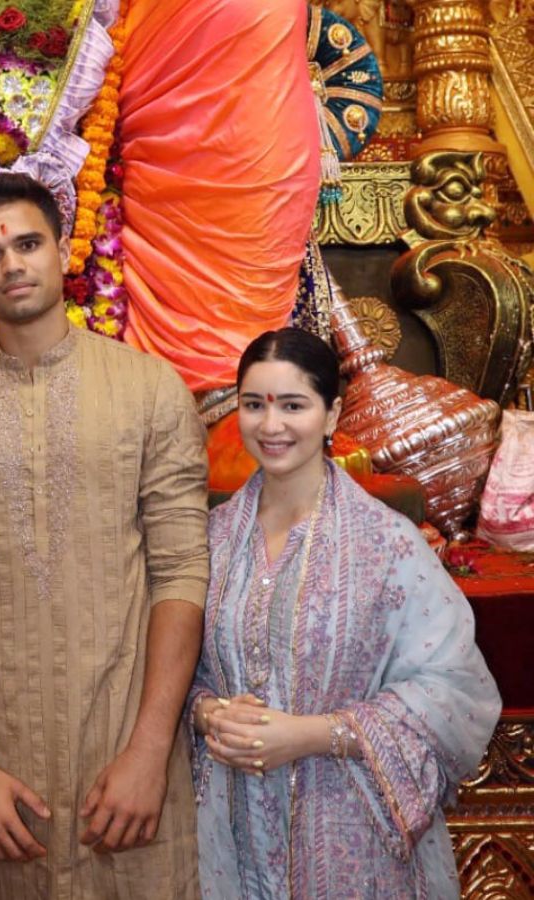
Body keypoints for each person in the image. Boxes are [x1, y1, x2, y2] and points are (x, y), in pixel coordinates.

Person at [0, 172, 210, 898]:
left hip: (127, 752)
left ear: (64, 249)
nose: (12, 264)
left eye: (28, 243)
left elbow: (182, 572)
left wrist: (151, 750)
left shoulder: (151, 389)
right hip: (5, 761)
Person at [190, 327, 501, 898]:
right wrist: (209, 714)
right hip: (228, 827)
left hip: (349, 824)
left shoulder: (387, 545)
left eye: (293, 404)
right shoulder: (211, 540)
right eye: (254, 405)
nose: (272, 424)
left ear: (331, 415)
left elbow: (453, 689)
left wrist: (310, 735)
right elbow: (185, 671)